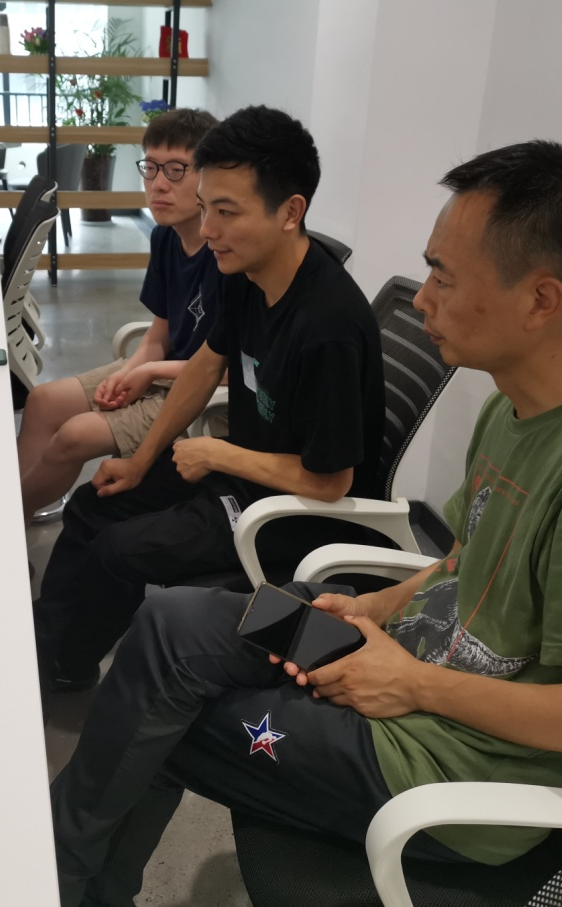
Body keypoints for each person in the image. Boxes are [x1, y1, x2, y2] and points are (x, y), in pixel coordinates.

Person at [48, 139, 562, 906]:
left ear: (539, 300)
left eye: (443, 278)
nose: (422, 300)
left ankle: (61, 881)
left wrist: (411, 681)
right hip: (395, 656)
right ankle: (67, 878)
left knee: (164, 714)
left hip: (448, 766)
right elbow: (464, 562)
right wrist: (371, 606)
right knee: (169, 622)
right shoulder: (514, 405)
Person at [33, 105, 386, 697]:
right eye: (206, 209)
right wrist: (141, 459)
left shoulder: (327, 327)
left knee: (119, 549)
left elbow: (330, 483)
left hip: (292, 512)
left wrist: (218, 454)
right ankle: (49, 649)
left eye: (227, 212)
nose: (210, 230)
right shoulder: (246, 273)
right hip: (242, 477)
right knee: (94, 503)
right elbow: (205, 364)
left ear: (290, 212)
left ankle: (61, 668)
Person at [17, 108, 222, 525]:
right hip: (163, 370)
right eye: (151, 168)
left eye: (177, 170)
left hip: (199, 390)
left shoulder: (226, 252)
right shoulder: (166, 237)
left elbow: (225, 368)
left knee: (74, 434)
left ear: (209, 176)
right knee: (42, 401)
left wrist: (146, 373)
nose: (158, 184)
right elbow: (159, 335)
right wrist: (129, 372)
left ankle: (3, 522)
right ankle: (14, 506)